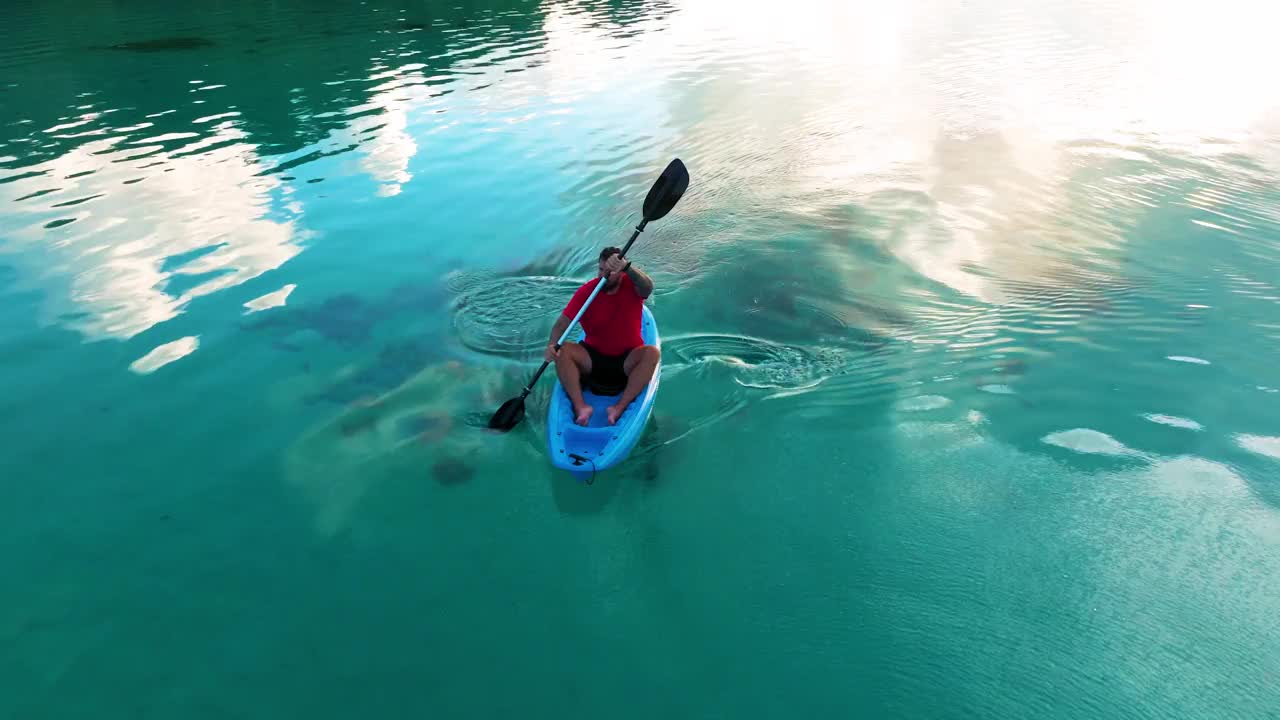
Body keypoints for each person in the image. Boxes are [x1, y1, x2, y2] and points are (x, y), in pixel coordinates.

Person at [544, 247, 661, 426]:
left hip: (627, 360)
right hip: (593, 360)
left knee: (652, 353)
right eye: (600, 269)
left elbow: (648, 286)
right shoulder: (586, 292)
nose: (604, 275)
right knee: (563, 349)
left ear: (621, 271)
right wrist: (552, 345)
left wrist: (628, 267)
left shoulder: (632, 286)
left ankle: (619, 408)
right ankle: (581, 407)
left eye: (610, 271)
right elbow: (561, 324)